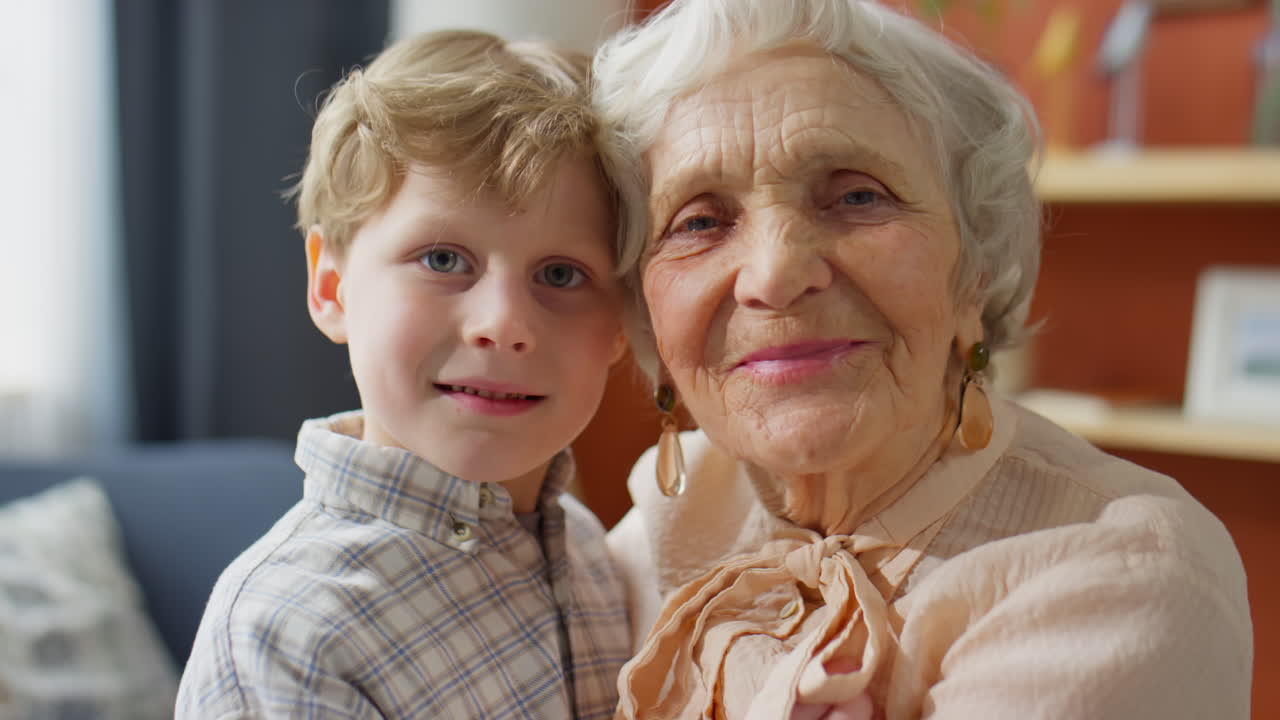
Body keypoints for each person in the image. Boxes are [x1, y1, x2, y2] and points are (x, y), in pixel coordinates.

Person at [591, 1, 1254, 718]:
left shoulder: (1122, 568)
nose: (776, 274)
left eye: (854, 196)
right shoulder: (658, 529)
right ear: (646, 315)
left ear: (974, 268)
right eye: (700, 221)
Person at [176, 29, 644, 719]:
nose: (503, 323)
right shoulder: (290, 632)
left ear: (620, 327)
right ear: (331, 289)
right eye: (444, 259)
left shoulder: (583, 544)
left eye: (560, 274)